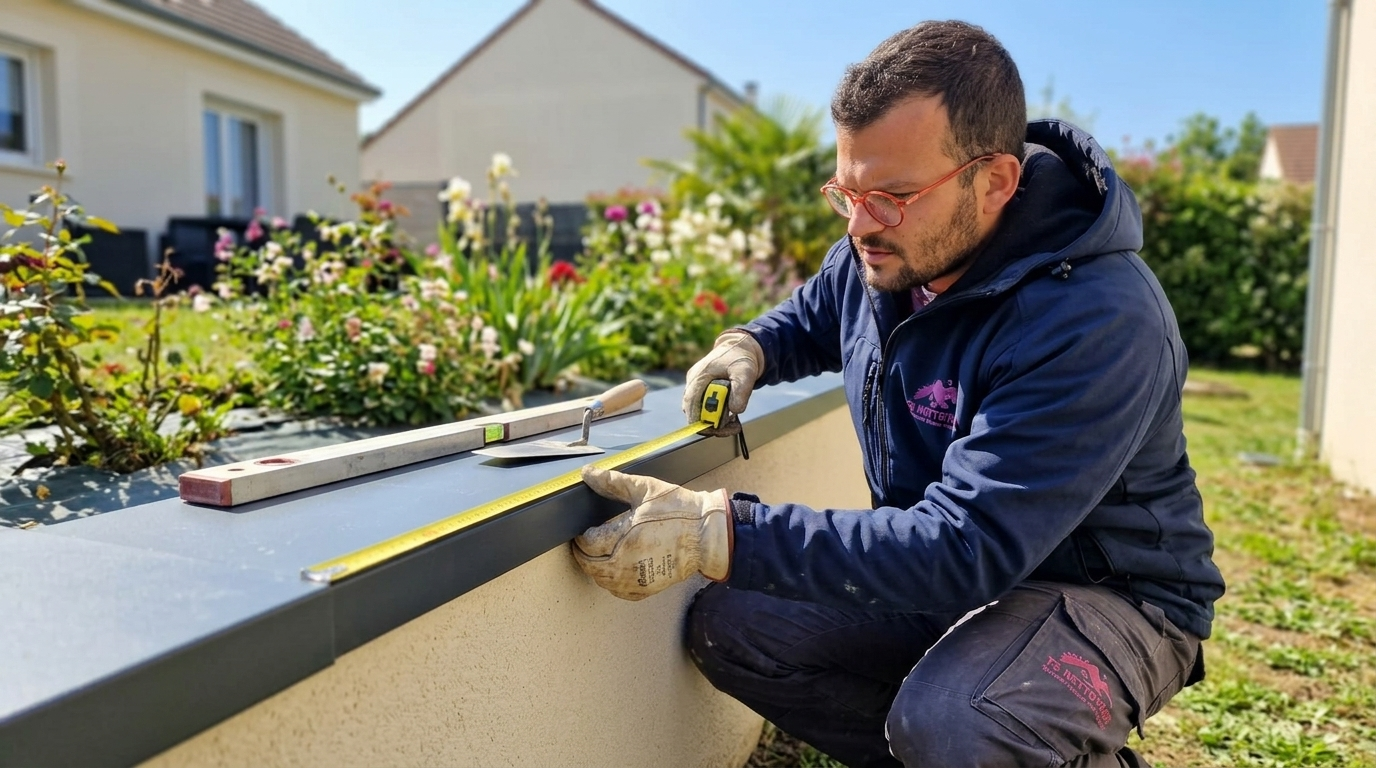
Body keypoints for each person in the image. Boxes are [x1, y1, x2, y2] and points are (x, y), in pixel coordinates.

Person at [571, 19, 1225, 768]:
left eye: (892, 196)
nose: (859, 224)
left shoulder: (1096, 319)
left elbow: (965, 545)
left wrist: (720, 530)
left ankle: (984, 741)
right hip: (957, 568)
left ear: (996, 181)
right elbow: (816, 316)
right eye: (846, 192)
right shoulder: (885, 250)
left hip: (1110, 595)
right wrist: (748, 346)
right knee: (741, 629)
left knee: (958, 723)